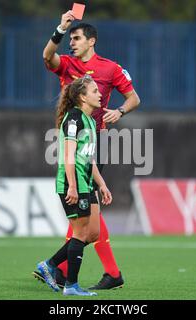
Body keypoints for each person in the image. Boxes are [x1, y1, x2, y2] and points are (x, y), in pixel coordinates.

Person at [33, 10, 141, 290]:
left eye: (77, 38)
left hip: (97, 142)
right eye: (71, 38)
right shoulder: (65, 63)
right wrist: (60, 28)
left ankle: (62, 268)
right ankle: (85, 271)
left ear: (91, 41)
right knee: (87, 213)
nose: (72, 43)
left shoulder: (110, 68)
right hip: (73, 139)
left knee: (87, 212)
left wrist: (119, 111)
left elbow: (133, 98)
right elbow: (47, 56)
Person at [36, 75, 112, 296]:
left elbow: (88, 159)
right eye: (95, 91)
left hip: (86, 184)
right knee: (80, 234)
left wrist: (102, 184)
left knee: (92, 233)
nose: (100, 94)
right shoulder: (73, 119)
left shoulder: (90, 120)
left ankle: (49, 265)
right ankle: (71, 285)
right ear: (82, 96)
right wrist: (72, 187)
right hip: (74, 184)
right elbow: (68, 156)